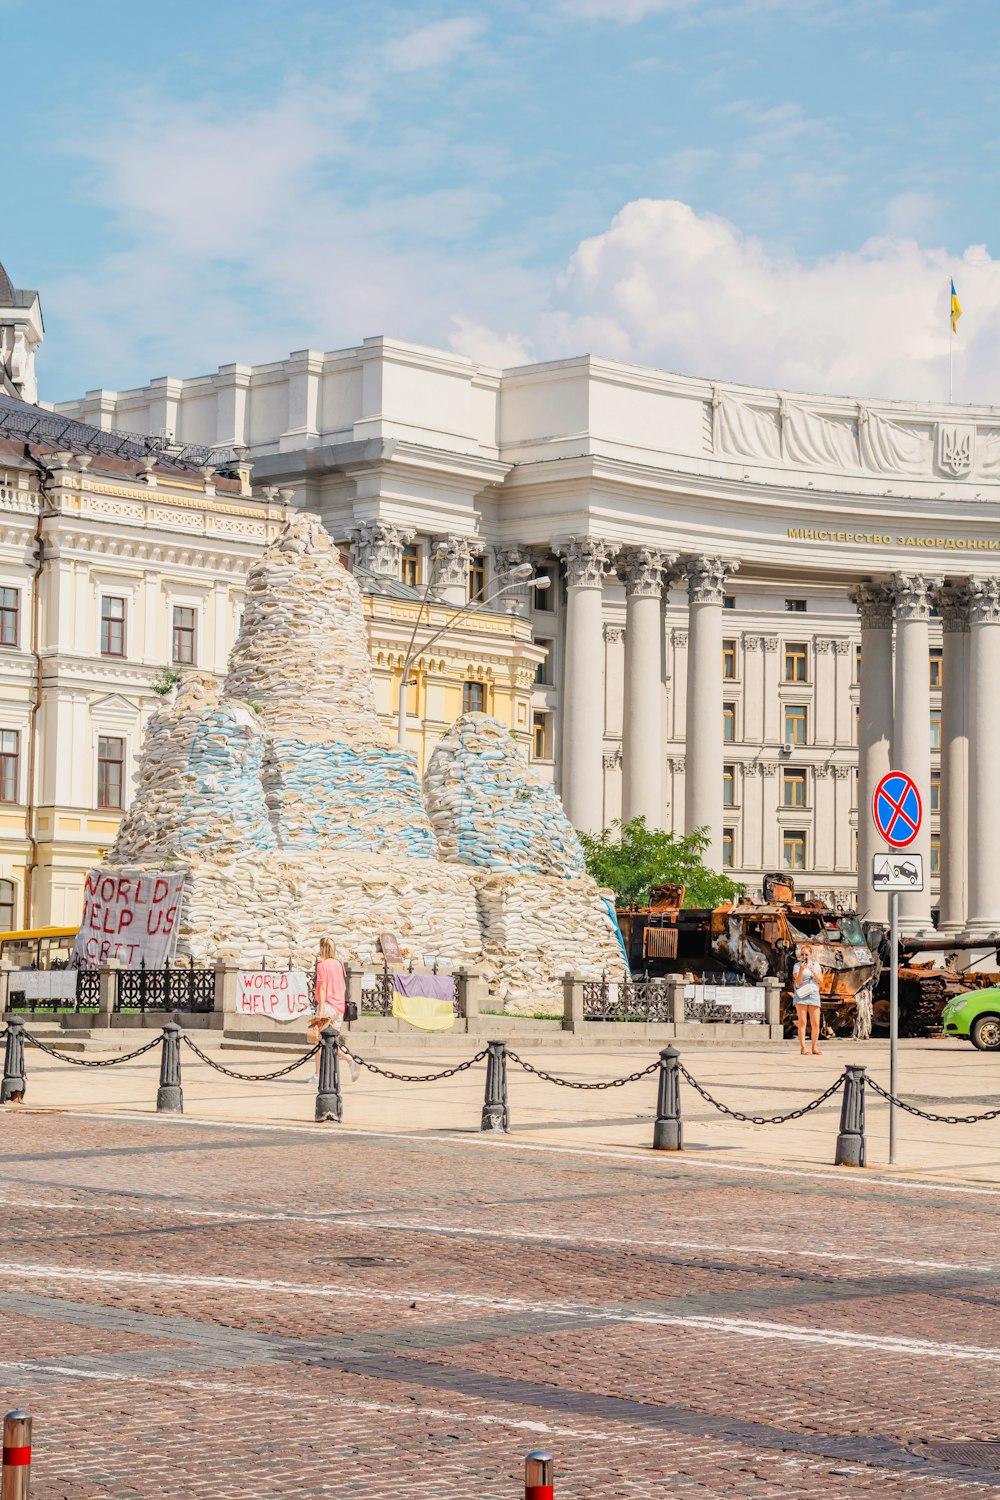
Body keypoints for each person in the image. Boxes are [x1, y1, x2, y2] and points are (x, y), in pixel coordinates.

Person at [310, 936, 360, 1081]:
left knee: (318, 1040)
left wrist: (320, 1010)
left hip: (327, 1006)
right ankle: (337, 1070)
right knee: (333, 1041)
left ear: (322, 948)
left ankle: (319, 1074)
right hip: (339, 1007)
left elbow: (323, 988)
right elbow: (343, 986)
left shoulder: (322, 965)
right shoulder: (339, 964)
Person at [791, 944, 823, 1056]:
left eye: (806, 954)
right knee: (803, 1021)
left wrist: (813, 971)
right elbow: (798, 981)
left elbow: (820, 980)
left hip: (813, 993)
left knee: (815, 1023)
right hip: (802, 994)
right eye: (802, 954)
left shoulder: (816, 965)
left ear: (811, 955)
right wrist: (801, 970)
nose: (804, 956)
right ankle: (803, 1047)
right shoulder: (797, 966)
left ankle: (814, 1047)